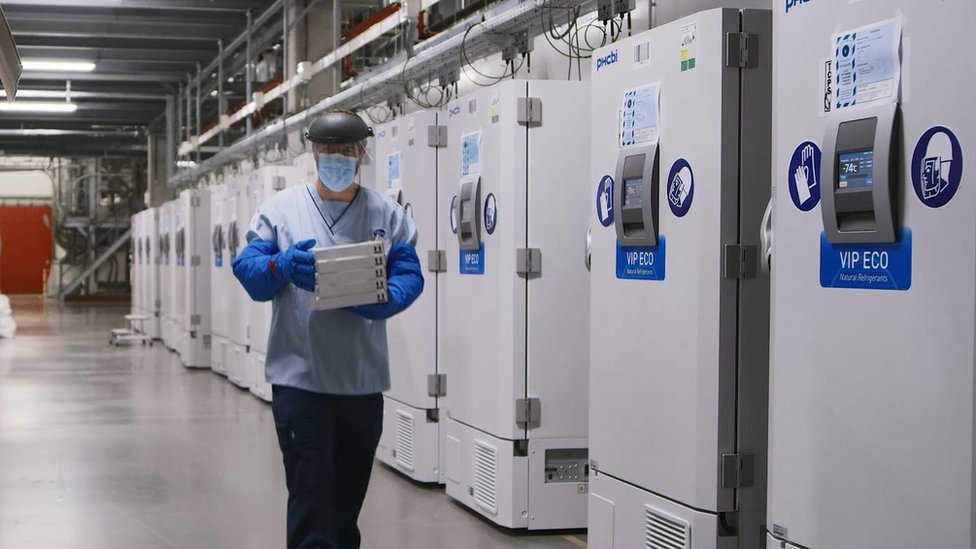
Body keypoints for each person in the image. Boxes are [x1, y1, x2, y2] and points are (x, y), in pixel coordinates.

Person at [232, 111, 424, 549]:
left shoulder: (386, 215)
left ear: (361, 154)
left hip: (361, 383)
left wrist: (385, 298)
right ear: (313, 153)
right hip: (300, 380)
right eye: (327, 151)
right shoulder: (280, 211)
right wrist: (279, 265)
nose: (336, 158)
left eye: (346, 151)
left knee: (346, 507)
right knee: (311, 501)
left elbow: (409, 274)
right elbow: (248, 270)